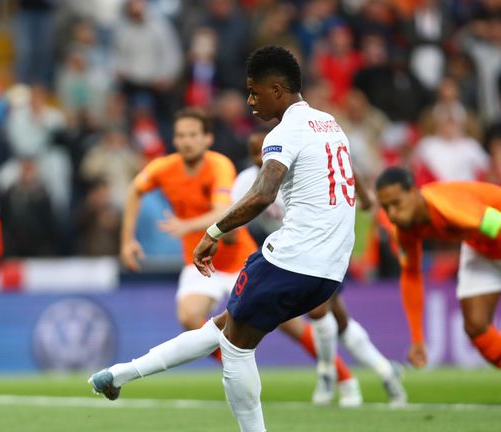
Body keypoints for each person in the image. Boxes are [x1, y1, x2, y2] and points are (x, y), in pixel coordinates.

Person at [91, 46, 356, 431]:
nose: (250, 101)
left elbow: (263, 194)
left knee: (234, 347)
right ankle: (120, 375)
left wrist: (212, 232)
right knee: (223, 327)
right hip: (330, 271)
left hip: (293, 257)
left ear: (278, 90)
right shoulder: (330, 124)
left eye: (255, 91)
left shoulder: (285, 132)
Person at [234, 130, 406, 407]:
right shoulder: (245, 182)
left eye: (262, 151)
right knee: (339, 319)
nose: (258, 158)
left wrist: (365, 197)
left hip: (320, 243)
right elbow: (235, 218)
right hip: (287, 256)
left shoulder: (297, 167)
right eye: (253, 153)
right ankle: (386, 371)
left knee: (318, 311)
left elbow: (346, 166)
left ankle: (329, 374)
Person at [119, 108, 254, 338]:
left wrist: (186, 225)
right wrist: (127, 241)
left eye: (192, 135)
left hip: (237, 257)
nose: (186, 141)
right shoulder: (164, 168)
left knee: (288, 323)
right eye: (180, 136)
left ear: (207, 138)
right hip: (199, 261)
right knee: (189, 318)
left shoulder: (219, 165)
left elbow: (223, 212)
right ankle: (230, 359)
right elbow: (134, 190)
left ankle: (335, 368)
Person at [375, 167, 501, 369]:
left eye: (396, 203)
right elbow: (411, 275)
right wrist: (417, 338)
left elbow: (497, 223)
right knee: (476, 325)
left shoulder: (447, 205)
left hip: (495, 236)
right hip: (480, 245)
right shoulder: (404, 231)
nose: (392, 214)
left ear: (414, 192)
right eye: (385, 207)